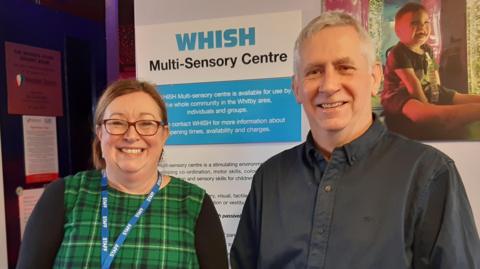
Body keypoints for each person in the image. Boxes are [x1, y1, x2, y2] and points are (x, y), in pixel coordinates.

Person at [230, 11, 480, 269]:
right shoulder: (269, 178)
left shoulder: (429, 174)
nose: (329, 85)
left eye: (344, 68)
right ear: (296, 89)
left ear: (375, 79)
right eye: (314, 71)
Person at [16, 79, 228, 269]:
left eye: (146, 124)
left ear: (164, 134)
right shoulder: (64, 195)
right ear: (100, 132)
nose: (131, 135)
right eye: (117, 122)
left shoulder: (194, 204)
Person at [381, 2, 480, 140]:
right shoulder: (398, 53)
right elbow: (412, 83)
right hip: (400, 96)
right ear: (398, 31)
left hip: (427, 89)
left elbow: (433, 71)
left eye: (426, 22)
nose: (422, 27)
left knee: (459, 97)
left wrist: (438, 93)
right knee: (420, 113)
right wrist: (428, 107)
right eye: (415, 23)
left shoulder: (427, 49)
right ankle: (448, 117)